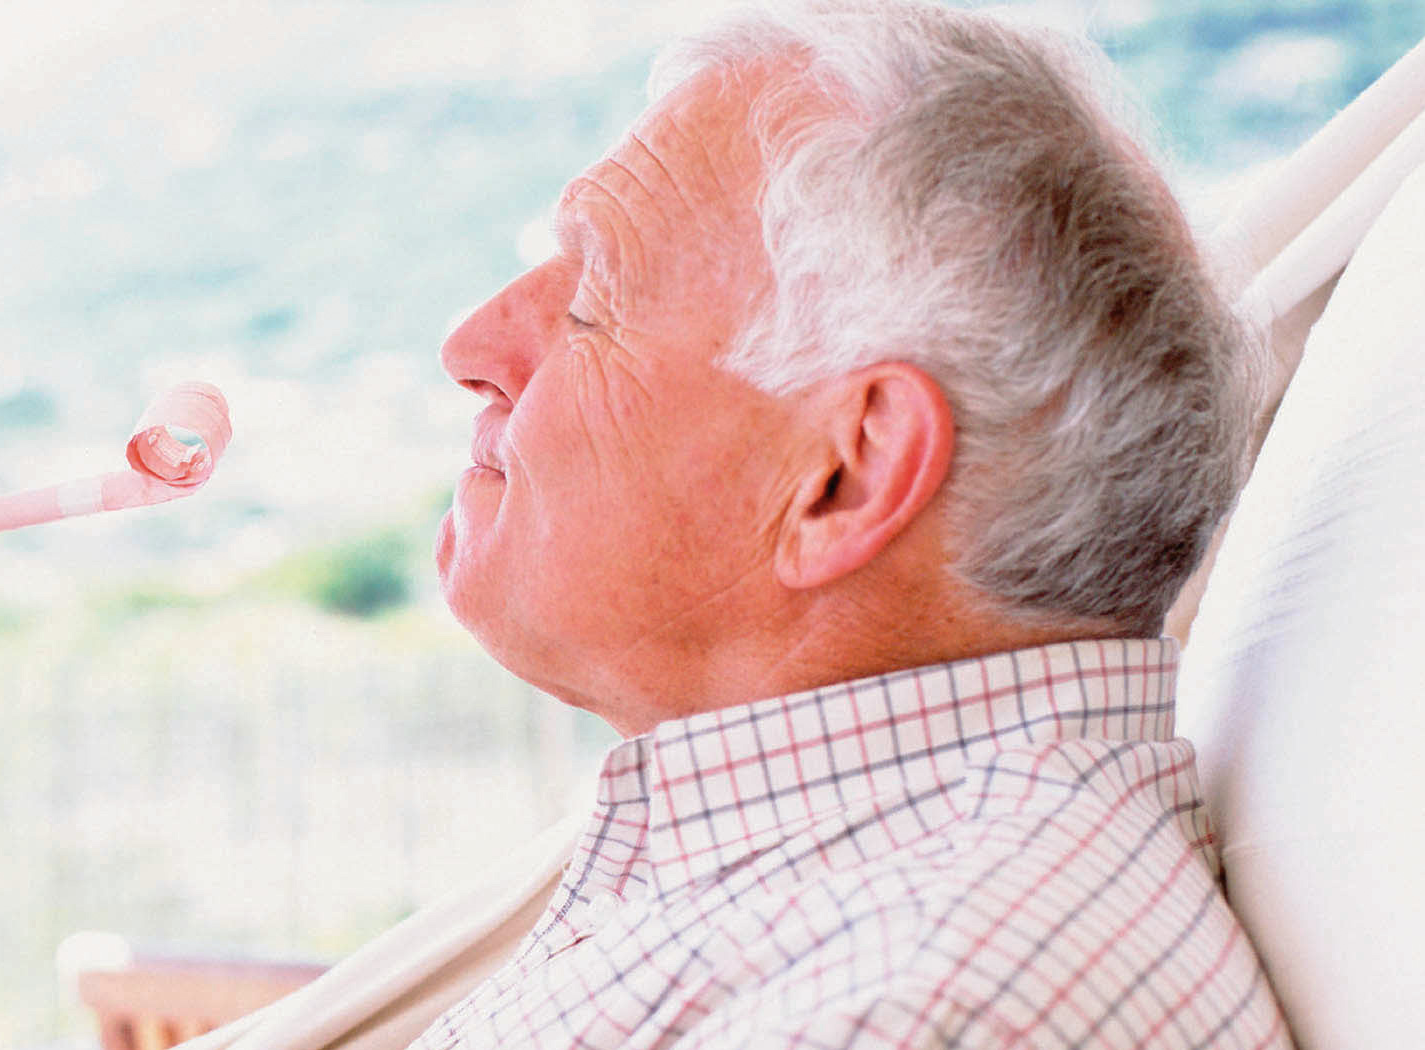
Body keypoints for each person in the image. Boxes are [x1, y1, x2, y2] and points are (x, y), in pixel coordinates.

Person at [408, 0, 1292, 1044]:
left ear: (848, 475)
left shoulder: (911, 1001)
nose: (470, 346)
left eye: (593, 307)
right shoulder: (809, 879)